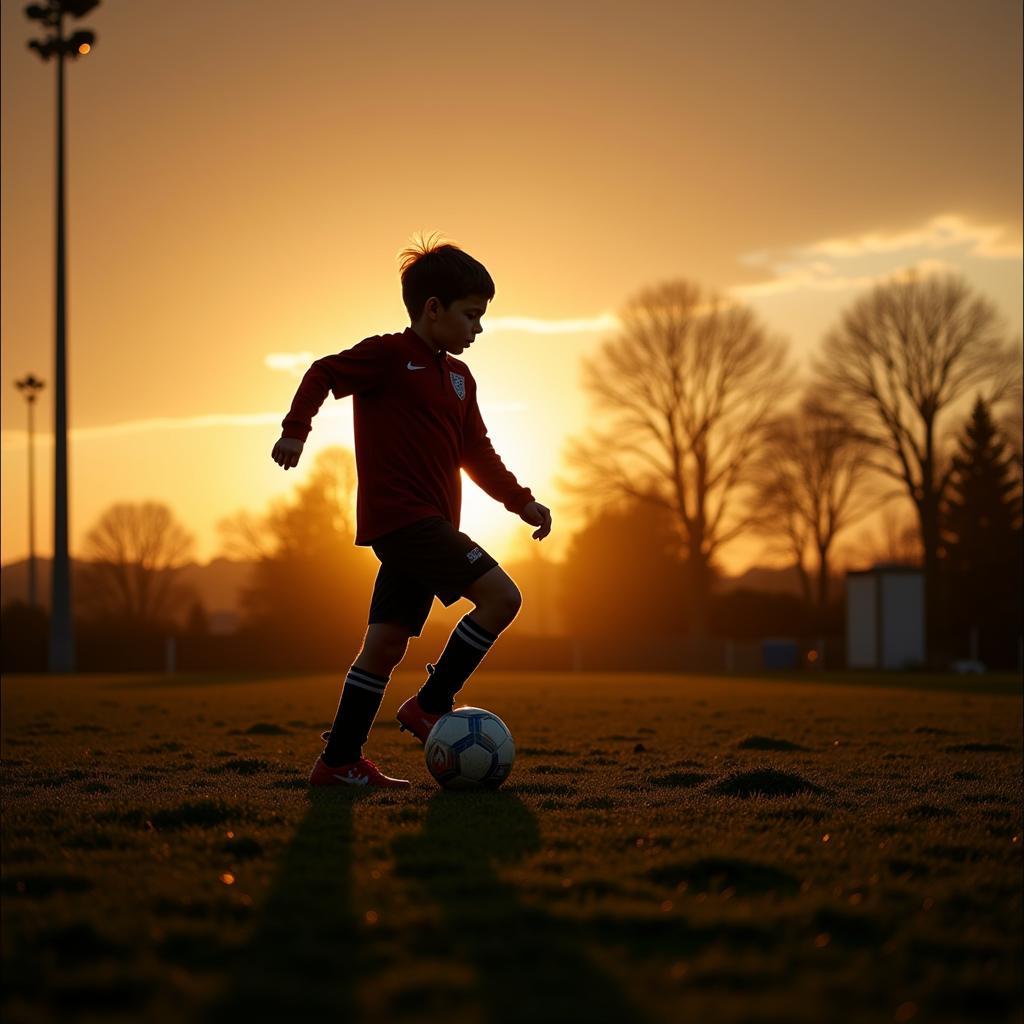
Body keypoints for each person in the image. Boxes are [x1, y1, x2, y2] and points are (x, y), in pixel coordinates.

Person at [271, 238, 552, 788]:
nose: (477, 328)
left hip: (428, 529)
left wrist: (520, 501)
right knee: (503, 597)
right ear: (433, 308)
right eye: (471, 315)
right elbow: (323, 372)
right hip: (405, 522)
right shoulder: (388, 356)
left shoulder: (460, 380)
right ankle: (431, 704)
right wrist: (295, 430)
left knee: (384, 646)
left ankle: (338, 763)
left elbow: (477, 452)